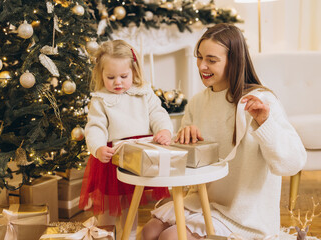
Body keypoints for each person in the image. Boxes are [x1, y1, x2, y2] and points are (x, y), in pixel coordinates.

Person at [142, 23, 306, 239]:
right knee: (149, 231)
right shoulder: (197, 102)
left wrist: (264, 123)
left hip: (244, 214)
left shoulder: (261, 101)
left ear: (234, 61)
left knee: (170, 237)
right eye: (199, 57)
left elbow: (292, 163)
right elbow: (186, 166)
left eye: (212, 60)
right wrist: (184, 139)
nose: (202, 66)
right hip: (203, 202)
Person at [78, 39, 173, 239]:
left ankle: (128, 236)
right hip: (113, 157)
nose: (118, 82)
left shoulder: (144, 92)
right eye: (111, 77)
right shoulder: (100, 99)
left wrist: (163, 130)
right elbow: (95, 127)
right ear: (101, 74)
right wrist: (98, 147)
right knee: (108, 207)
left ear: (135, 72)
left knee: (131, 203)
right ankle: (104, 235)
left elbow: (158, 114)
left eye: (124, 76)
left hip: (139, 156)